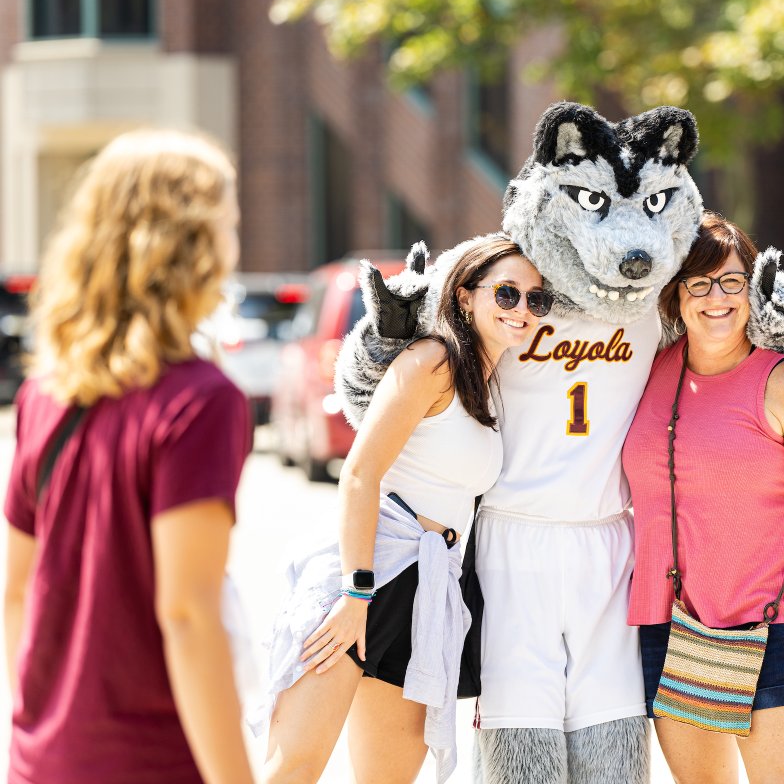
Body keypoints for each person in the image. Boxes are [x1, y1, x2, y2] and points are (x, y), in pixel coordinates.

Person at [3, 130, 253, 784]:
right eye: (228, 224)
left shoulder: (45, 395)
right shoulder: (201, 403)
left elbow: (16, 592)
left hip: (45, 761)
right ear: (192, 247)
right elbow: (186, 614)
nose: (234, 243)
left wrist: (47, 731)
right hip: (153, 762)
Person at [257, 235, 549, 784]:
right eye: (507, 293)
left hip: (427, 593)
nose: (523, 310)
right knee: (292, 769)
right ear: (466, 296)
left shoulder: (491, 382)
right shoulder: (432, 360)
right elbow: (360, 474)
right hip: (368, 574)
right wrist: (355, 593)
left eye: (538, 299)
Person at [623, 213, 784, 784]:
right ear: (674, 296)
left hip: (771, 626)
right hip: (669, 624)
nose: (716, 298)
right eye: (698, 284)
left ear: (753, 291)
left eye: (731, 282)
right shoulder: (646, 374)